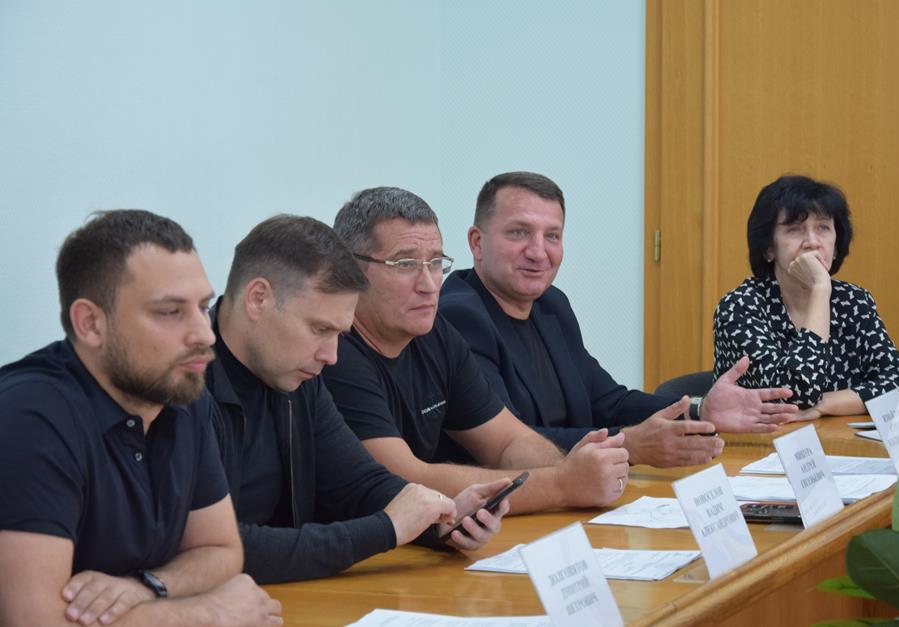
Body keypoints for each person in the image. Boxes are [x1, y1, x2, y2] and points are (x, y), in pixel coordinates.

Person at [0, 210, 281, 627]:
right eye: (170, 312)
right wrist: (208, 613)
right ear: (91, 324)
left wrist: (146, 586)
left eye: (203, 306)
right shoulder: (29, 415)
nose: (205, 334)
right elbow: (35, 621)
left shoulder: (180, 392)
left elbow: (221, 551)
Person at [207, 215, 508, 585]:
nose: (331, 355)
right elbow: (216, 547)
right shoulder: (182, 388)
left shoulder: (298, 378)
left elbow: (358, 483)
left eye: (339, 333)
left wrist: (441, 516)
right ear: (258, 299)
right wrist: (386, 529)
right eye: (320, 329)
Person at [438, 171, 798, 468]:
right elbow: (515, 443)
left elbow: (608, 401)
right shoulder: (459, 316)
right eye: (519, 232)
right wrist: (630, 444)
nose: (538, 251)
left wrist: (700, 410)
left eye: (552, 236)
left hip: (577, 491)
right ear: (477, 242)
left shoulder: (551, 305)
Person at [323, 187, 630, 514]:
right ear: (351, 271)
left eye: (436, 263)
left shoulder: (435, 334)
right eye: (405, 263)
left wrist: (568, 469)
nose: (428, 284)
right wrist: (562, 484)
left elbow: (508, 441)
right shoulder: (334, 351)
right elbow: (406, 482)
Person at [713, 174, 899, 418]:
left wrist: (824, 405)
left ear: (835, 246)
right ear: (769, 248)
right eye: (794, 229)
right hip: (760, 441)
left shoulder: (853, 301)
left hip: (837, 438)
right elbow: (795, 395)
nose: (812, 242)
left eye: (823, 228)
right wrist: (820, 290)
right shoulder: (739, 307)